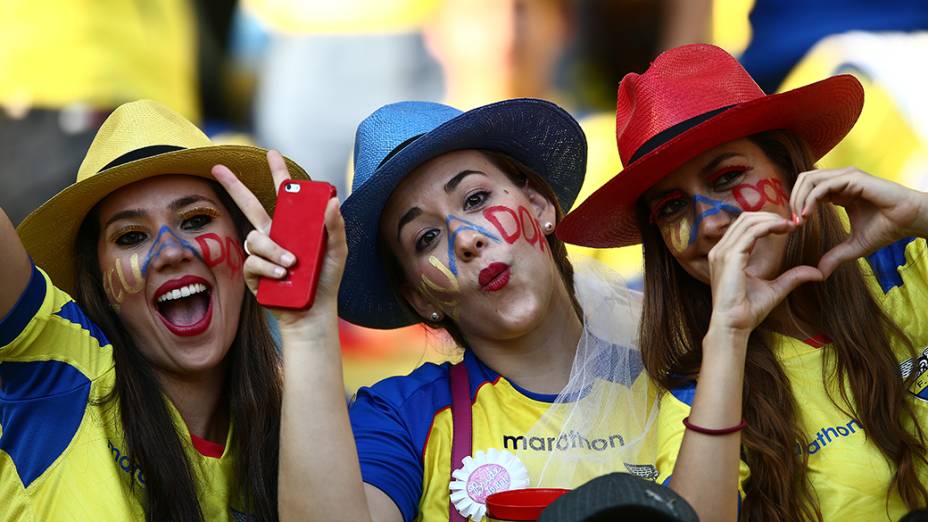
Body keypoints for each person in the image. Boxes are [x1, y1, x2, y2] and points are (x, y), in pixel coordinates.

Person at [558, 43, 928, 521]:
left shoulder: (904, 266)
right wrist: (729, 333)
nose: (710, 221)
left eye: (728, 177)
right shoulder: (702, 387)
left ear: (791, 170)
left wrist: (921, 212)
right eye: (672, 207)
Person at [266, 99, 657, 522]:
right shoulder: (398, 418)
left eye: (475, 198)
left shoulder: (674, 382)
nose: (466, 240)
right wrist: (307, 329)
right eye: (427, 236)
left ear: (539, 204)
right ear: (419, 297)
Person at [0, 99, 308, 520]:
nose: (171, 252)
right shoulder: (61, 366)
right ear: (98, 281)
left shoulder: (298, 429)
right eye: (130, 237)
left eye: (196, 220)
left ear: (246, 247)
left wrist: (311, 325)